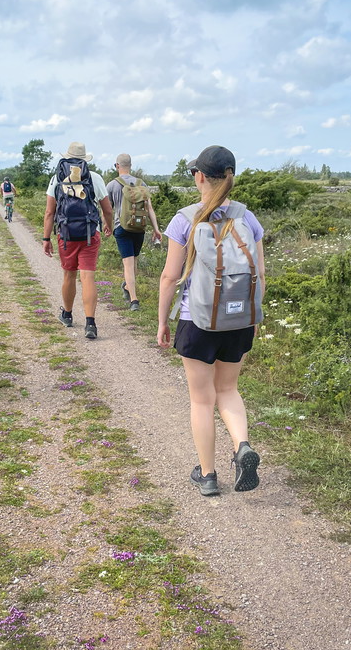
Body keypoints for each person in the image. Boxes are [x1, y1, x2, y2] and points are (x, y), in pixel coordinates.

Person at [156, 145, 265, 496]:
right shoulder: (247, 218)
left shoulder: (185, 219)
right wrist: (254, 316)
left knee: (202, 399)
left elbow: (169, 278)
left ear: (199, 176)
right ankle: (242, 446)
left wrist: (162, 321)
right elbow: (260, 272)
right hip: (239, 321)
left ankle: (208, 476)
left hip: (197, 319)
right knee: (228, 389)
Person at [42, 141, 113, 340]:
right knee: (87, 276)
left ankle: (67, 314)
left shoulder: (56, 178)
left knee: (69, 275)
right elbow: (107, 209)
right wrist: (109, 225)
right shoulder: (95, 177)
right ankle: (90, 323)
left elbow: (49, 212)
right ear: (84, 159)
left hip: (66, 235)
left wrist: (46, 238)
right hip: (90, 233)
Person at [105, 153, 162, 311]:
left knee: (128, 264)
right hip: (139, 227)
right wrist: (156, 229)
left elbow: (107, 210)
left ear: (117, 166)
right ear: (130, 165)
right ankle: (127, 286)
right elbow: (149, 208)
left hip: (121, 228)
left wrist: (107, 226)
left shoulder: (112, 185)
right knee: (134, 262)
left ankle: (134, 300)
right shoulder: (141, 183)